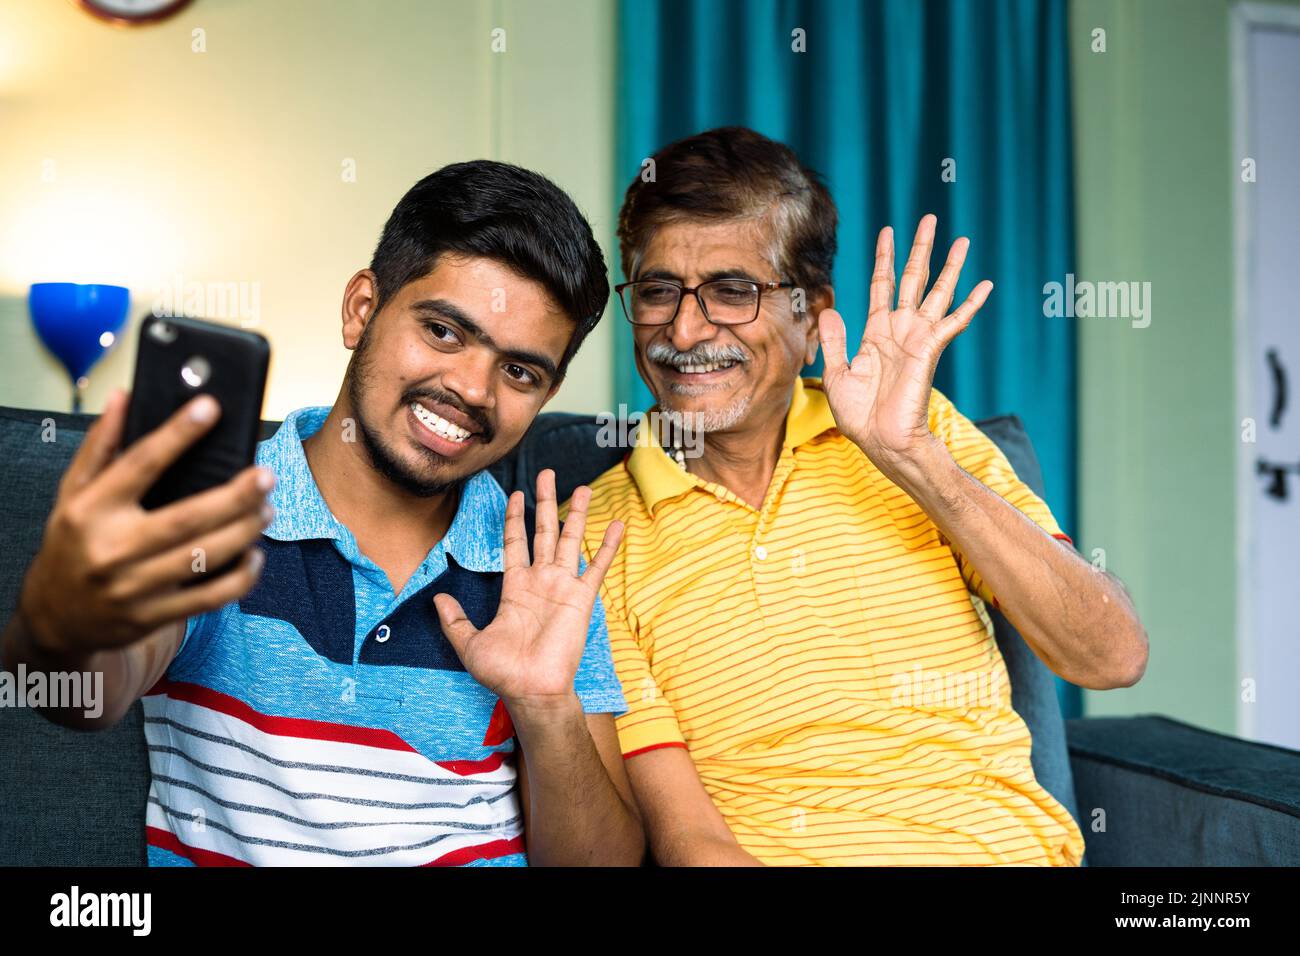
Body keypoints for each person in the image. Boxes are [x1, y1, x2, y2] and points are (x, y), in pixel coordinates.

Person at [2, 160, 643, 867]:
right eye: (442, 331)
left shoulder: (540, 565)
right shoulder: (218, 514)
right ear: (361, 309)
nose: (472, 388)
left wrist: (545, 707)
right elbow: (85, 694)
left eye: (520, 372)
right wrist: (61, 619)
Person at [574, 126, 1149, 866]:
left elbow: (1111, 655)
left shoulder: (925, 435)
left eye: (731, 291)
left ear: (812, 317)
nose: (685, 329)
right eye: (658, 291)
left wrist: (912, 460)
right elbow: (691, 844)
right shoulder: (589, 537)